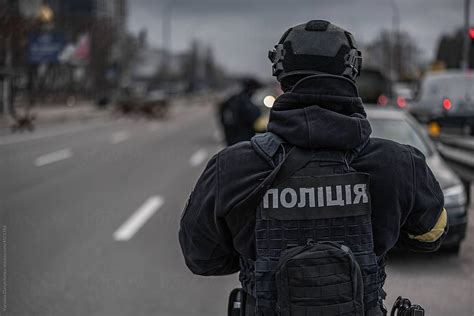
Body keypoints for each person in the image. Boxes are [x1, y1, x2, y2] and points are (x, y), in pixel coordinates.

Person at [179, 20, 447, 316]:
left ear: (281, 78)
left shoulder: (230, 167)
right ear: (352, 74)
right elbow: (432, 235)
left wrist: (253, 256)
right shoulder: (398, 163)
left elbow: (200, 257)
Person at [218, 78, 262, 146]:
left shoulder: (231, 100)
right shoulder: (244, 102)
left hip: (231, 137)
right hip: (242, 138)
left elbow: (222, 115)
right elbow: (254, 116)